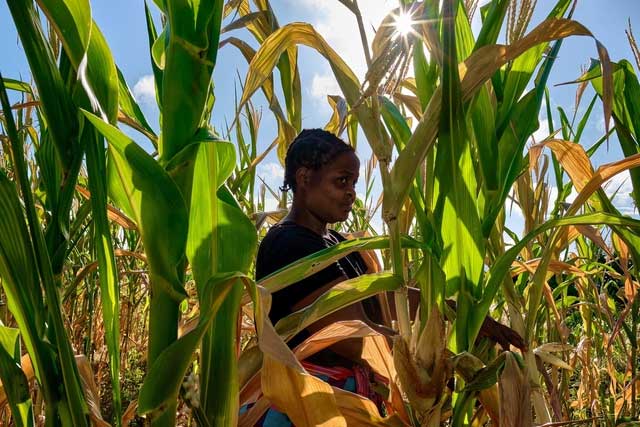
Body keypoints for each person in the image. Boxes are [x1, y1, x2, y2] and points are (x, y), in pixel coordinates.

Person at [256, 129, 392, 360]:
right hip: (314, 394)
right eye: (342, 180)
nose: (351, 193)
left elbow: (381, 297)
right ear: (304, 178)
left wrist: (442, 306)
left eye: (354, 183)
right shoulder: (289, 246)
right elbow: (352, 339)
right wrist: (425, 353)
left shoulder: (338, 244)